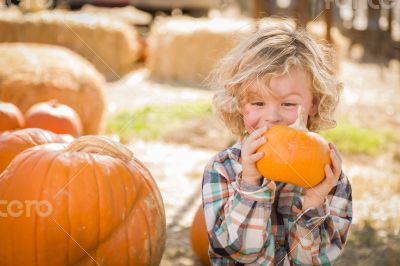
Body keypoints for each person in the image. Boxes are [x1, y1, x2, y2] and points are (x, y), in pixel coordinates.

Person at [202, 21, 352, 265]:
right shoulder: (223, 169)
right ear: (240, 105)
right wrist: (250, 184)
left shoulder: (329, 178)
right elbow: (239, 253)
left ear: (313, 103)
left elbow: (316, 260)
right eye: (258, 103)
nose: (272, 116)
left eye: (288, 104)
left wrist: (312, 204)